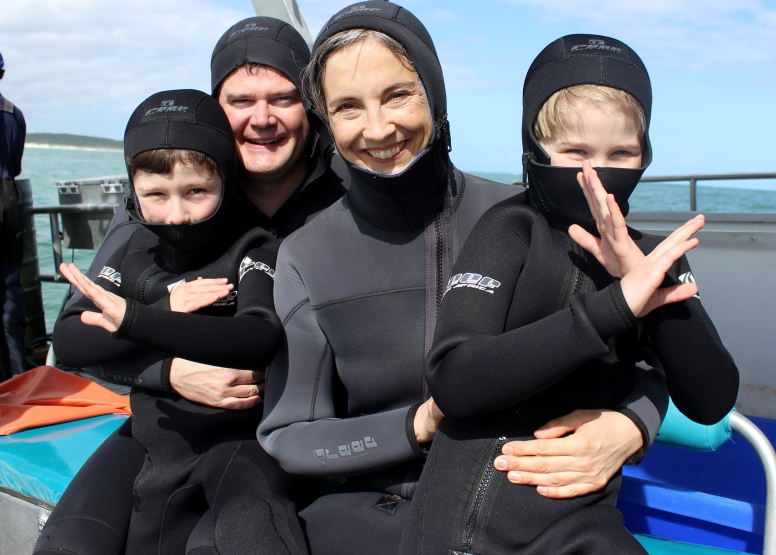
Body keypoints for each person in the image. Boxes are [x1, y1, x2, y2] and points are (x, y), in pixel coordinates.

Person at [258, 5, 669, 553]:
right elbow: (289, 438)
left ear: (435, 92)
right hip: (369, 514)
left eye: (398, 95)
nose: (379, 128)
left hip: (531, 511)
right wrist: (416, 425)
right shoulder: (306, 255)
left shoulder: (526, 220)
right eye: (348, 107)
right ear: (327, 122)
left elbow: (646, 357)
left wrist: (631, 426)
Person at [397, 34, 740, 555]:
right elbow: (454, 379)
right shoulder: (510, 230)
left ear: (645, 156)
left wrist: (661, 290)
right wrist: (614, 307)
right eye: (575, 152)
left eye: (620, 153)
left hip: (581, 526)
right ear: (533, 150)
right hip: (457, 526)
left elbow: (712, 399)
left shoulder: (652, 260)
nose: (596, 176)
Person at [39, 89, 307, 555]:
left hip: (240, 443)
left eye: (197, 192)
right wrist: (162, 314)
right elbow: (71, 341)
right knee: (65, 545)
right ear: (133, 191)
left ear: (225, 181)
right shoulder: (133, 249)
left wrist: (134, 321)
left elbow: (258, 338)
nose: (178, 215)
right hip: (149, 432)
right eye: (155, 195)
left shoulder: (254, 246)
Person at [0, 50, 27, 381]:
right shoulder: (14, 114)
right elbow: (15, 166)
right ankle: (17, 381)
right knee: (9, 295)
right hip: (8, 202)